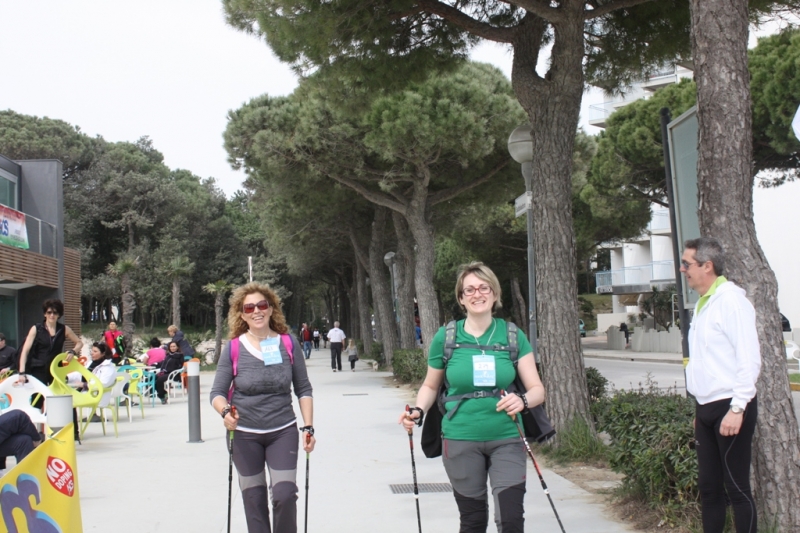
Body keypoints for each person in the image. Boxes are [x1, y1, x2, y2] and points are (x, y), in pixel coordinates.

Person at [399, 261, 545, 533]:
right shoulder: (447, 337)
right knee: (473, 522)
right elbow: (430, 386)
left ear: (495, 293)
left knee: (511, 521)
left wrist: (523, 401)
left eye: (483, 287)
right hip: (460, 439)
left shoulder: (513, 335)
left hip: (507, 437)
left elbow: (537, 389)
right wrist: (417, 411)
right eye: (470, 290)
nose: (477, 294)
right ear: (461, 298)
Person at [209, 282, 315, 533]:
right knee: (254, 501)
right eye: (249, 307)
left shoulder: (288, 344)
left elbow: (304, 389)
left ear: (270, 309)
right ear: (242, 314)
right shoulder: (234, 348)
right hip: (245, 434)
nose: (256, 310)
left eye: (262, 305)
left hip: (283, 430)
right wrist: (225, 412)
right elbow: (217, 393)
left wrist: (308, 426)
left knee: (285, 495)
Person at [681, 237, 761, 533]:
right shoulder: (703, 305)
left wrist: (738, 408)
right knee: (710, 489)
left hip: (731, 407)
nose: (682, 269)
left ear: (707, 266)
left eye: (687, 264)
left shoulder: (731, 301)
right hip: (706, 410)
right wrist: (700, 410)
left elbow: (749, 360)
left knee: (737, 489)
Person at [17, 299, 83, 388]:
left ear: (59, 315)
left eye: (55, 313)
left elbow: (79, 343)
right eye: (49, 312)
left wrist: (73, 351)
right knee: (38, 398)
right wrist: (22, 372)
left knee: (56, 397)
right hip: (38, 368)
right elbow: (25, 351)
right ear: (45, 314)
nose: (52, 315)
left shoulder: (64, 329)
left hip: (56, 368)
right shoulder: (36, 328)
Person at [75, 342, 119, 422]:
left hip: (98, 396)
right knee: (65, 396)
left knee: (69, 400)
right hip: (88, 393)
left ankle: (72, 427)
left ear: (103, 353)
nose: (92, 353)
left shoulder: (108, 368)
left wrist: (84, 385)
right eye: (92, 351)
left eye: (95, 351)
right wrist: (67, 377)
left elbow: (103, 384)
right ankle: (70, 424)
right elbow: (81, 374)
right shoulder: (90, 364)